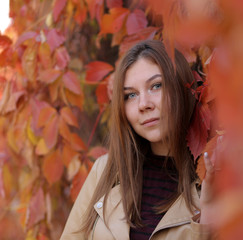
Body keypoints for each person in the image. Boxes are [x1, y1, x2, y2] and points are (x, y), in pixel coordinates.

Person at [60, 40, 215, 240]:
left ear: (183, 88)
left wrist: (207, 221)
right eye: (131, 95)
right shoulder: (105, 171)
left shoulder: (209, 179)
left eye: (156, 86)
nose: (143, 104)